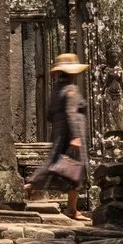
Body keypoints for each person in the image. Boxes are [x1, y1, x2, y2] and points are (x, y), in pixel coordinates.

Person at [37, 52, 89, 218]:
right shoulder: (71, 90)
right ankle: (71, 209)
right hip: (72, 133)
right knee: (77, 170)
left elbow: (49, 114)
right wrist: (75, 136)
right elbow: (70, 113)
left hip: (61, 133)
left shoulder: (57, 90)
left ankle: (32, 186)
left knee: (58, 165)